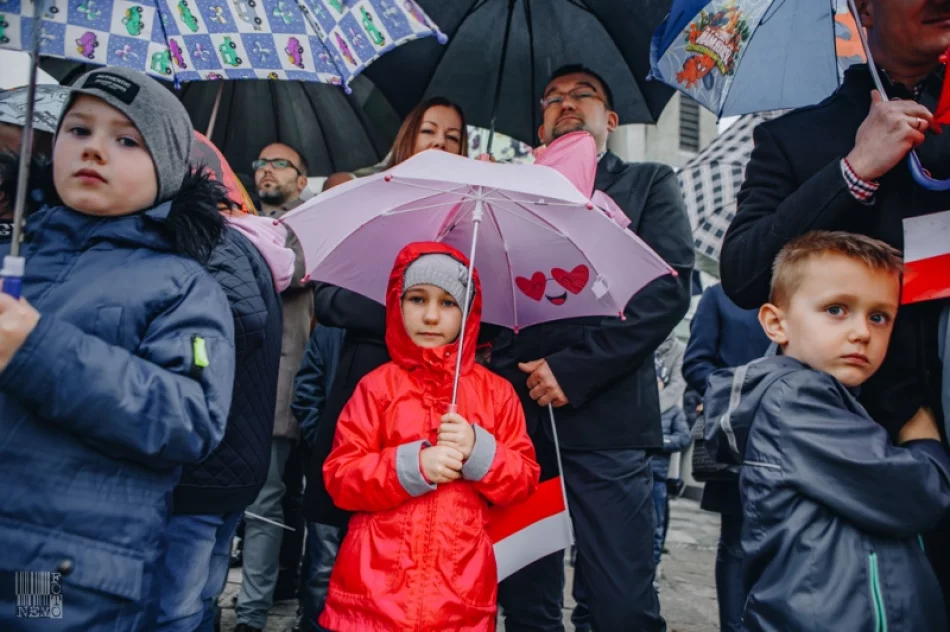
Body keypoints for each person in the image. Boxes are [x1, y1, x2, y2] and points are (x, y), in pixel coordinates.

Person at [719, 0, 950, 602]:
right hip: (859, 448)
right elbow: (743, 273)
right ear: (864, 9)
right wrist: (855, 167)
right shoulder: (795, 137)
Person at [0, 66, 235, 629]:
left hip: (56, 567)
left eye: (127, 140)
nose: (94, 150)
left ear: (167, 170)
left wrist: (35, 347)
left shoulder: (182, 287)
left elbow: (190, 418)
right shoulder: (15, 259)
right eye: (78, 130)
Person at [488, 64, 693, 632]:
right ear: (540, 124)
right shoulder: (510, 189)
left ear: (611, 119)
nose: (567, 103)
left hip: (610, 424)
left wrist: (573, 370)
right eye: (553, 98)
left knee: (620, 602)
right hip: (523, 426)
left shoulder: (648, 182)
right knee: (527, 602)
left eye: (584, 95)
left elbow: (666, 289)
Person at [706, 231, 950, 630]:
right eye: (836, 309)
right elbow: (916, 494)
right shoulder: (794, 398)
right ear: (775, 323)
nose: (862, 332)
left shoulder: (834, 400)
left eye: (879, 316)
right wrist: (924, 440)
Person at [318, 242, 540, 631]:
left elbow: (522, 479)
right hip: (373, 596)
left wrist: (478, 451)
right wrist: (413, 466)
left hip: (459, 597)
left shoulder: (496, 394)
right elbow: (341, 477)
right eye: (417, 299)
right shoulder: (377, 388)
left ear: (469, 312)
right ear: (396, 303)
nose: (431, 316)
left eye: (448, 303)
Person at [302, 97, 470, 531]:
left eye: (453, 137)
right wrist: (403, 317)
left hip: (439, 386)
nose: (440, 142)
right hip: (367, 372)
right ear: (408, 137)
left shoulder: (471, 216)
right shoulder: (371, 200)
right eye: (429, 130)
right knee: (349, 519)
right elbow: (329, 300)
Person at [154, 206, 294, 630]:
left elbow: (233, 327)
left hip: (207, 463)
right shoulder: (251, 250)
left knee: (179, 606)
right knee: (195, 598)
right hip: (229, 459)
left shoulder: (219, 246)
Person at [235, 142, 314, 632]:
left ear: (302, 180)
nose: (266, 169)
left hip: (278, 384)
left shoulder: (308, 227)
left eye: (280, 163)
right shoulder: (238, 219)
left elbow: (291, 274)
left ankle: (250, 613)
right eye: (261, 162)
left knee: (265, 501)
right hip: (229, 378)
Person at [681, 282, 770, 632]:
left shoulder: (803, 293)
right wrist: (740, 394)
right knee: (735, 541)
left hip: (794, 430)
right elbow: (695, 363)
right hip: (736, 435)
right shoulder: (719, 296)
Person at [291, 324, 345, 630]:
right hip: (330, 463)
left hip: (375, 468)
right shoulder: (331, 329)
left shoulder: (402, 323)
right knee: (323, 564)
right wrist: (322, 442)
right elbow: (306, 391)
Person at [651, 335, 691, 573]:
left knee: (659, 510)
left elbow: (678, 385)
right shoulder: (643, 340)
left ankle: (653, 565)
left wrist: (649, 409)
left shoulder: (678, 350)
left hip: (663, 418)